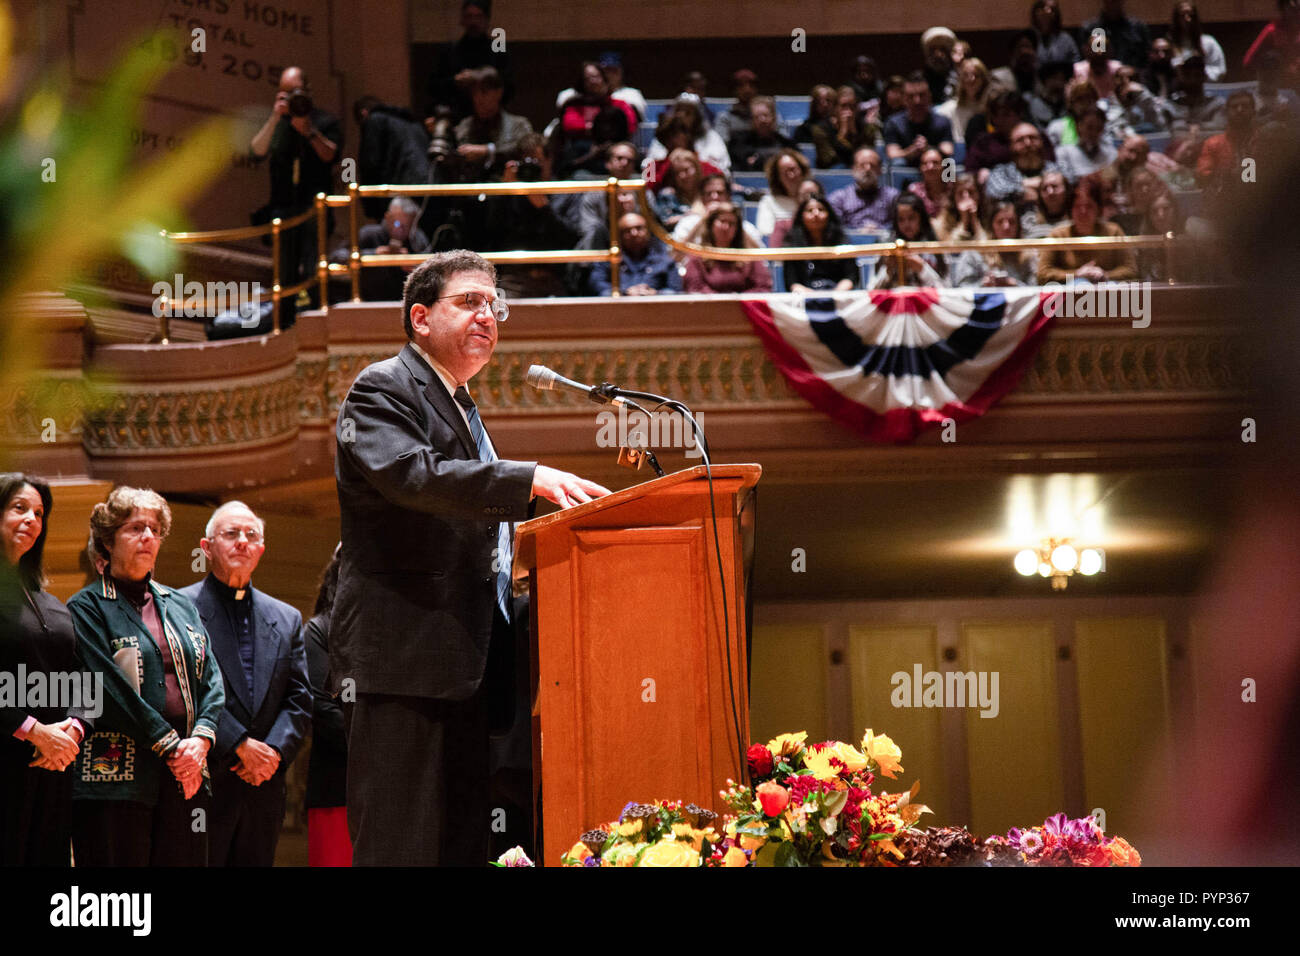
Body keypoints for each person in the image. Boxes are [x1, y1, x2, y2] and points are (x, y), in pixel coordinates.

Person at [334, 252, 611, 866]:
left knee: (459, 843)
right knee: (401, 846)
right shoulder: (382, 388)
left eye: (494, 304)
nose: (487, 314)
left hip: (462, 666)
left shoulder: (459, 402)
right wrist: (529, 477)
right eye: (469, 301)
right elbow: (414, 477)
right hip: (404, 658)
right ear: (420, 318)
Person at [68, 486, 225, 866]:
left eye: (155, 529)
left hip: (185, 776)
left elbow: (212, 680)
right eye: (135, 528)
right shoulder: (87, 607)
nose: (148, 537)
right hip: (115, 781)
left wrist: (201, 741)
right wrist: (172, 746)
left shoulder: (181, 604)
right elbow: (108, 689)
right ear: (108, 539)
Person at [177, 502, 310, 867]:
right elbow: (186, 687)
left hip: (263, 785)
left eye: (251, 536)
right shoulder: (177, 608)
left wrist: (273, 754)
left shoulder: (287, 617)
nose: (242, 542)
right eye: (231, 534)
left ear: (261, 551)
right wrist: (238, 744)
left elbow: (299, 700)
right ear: (206, 548)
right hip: (207, 780)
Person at [0, 474, 91, 866]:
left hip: (53, 768)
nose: (32, 519)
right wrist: (33, 730)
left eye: (39, 513)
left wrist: (73, 728)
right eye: (19, 508)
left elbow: (84, 678)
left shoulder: (52, 603)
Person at [248, 66, 342, 313]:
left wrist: (309, 131)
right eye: (284, 92)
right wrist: (274, 117)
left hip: (315, 210)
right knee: (284, 273)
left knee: (315, 270)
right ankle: (284, 324)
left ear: (307, 90)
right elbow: (256, 152)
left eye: (294, 92)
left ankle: (316, 318)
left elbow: (331, 155)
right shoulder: (277, 122)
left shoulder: (324, 121)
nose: (290, 97)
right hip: (283, 207)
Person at [481, 135, 579, 298]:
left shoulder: (565, 192)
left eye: (538, 161)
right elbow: (490, 233)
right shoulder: (509, 195)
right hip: (513, 279)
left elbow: (571, 239)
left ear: (549, 161)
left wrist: (544, 208)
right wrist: (503, 193)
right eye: (527, 162)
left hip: (554, 279)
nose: (532, 168)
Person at [303, 548, 348, 866]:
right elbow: (321, 707)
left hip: (390, 789)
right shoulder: (320, 630)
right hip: (337, 786)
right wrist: (379, 749)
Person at [1038, 173, 1138, 281]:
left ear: (1098, 209)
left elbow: (1130, 269)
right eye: (1077, 206)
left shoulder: (1113, 231)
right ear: (1070, 210)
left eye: (1089, 206)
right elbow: (1043, 274)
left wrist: (1106, 275)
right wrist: (1076, 275)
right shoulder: (1057, 235)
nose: (1083, 212)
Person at [427, 0, 514, 120]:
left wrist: (485, 80)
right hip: (457, 116)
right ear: (462, 20)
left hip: (492, 118)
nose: (473, 22)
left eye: (478, 16)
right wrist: (455, 81)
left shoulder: (498, 50)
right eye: (469, 16)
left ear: (487, 20)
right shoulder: (449, 51)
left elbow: (509, 87)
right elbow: (433, 87)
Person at [555, 61, 638, 177]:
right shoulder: (573, 103)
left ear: (605, 79)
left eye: (596, 77)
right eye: (588, 78)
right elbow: (569, 125)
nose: (593, 81)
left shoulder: (618, 104)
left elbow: (631, 125)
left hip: (616, 146)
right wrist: (594, 137)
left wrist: (610, 145)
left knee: (632, 158)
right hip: (585, 153)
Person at [354, 96, 430, 221]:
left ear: (363, 113)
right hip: (431, 188)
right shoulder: (412, 122)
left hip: (402, 190)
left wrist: (371, 206)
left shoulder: (374, 120)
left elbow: (371, 164)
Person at [453, 66, 535, 180]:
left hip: (507, 192)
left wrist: (488, 151)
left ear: (499, 92)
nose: (478, 99)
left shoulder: (519, 125)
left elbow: (526, 150)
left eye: (484, 92)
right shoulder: (464, 126)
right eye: (474, 93)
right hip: (470, 192)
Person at [682, 204, 772, 294]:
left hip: (744, 306)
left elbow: (763, 287)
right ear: (711, 225)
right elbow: (694, 288)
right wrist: (722, 302)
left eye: (731, 223)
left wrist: (738, 300)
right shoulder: (697, 257)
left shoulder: (750, 257)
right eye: (722, 221)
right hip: (708, 306)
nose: (726, 227)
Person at [949, 200, 1039, 286]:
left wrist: (1014, 284)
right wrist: (983, 284)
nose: (1006, 227)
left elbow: (1035, 289)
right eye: (1000, 222)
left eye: (1011, 222)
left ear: (1019, 227)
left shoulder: (1028, 256)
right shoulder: (976, 253)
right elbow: (962, 288)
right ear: (991, 226)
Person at [357, 198, 432, 301]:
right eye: (397, 224)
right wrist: (374, 254)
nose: (400, 230)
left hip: (406, 303)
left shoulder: (417, 240)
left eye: (406, 226)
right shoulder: (369, 234)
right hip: (368, 301)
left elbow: (432, 272)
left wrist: (414, 267)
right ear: (387, 217)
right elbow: (337, 256)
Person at [590, 213, 682, 296]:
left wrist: (656, 293)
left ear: (648, 231)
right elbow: (598, 286)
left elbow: (676, 290)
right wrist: (624, 292)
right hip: (619, 308)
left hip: (657, 309)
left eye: (639, 228)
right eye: (627, 230)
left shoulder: (664, 259)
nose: (634, 233)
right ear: (619, 235)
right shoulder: (609, 258)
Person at [781, 194, 858, 293]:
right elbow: (792, 283)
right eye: (809, 210)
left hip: (839, 297)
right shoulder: (792, 245)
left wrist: (833, 296)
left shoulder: (842, 242)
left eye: (821, 209)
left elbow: (850, 277)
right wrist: (814, 298)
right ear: (801, 216)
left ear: (829, 214)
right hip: (804, 298)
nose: (816, 214)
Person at [873, 193, 947, 288]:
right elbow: (872, 290)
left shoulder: (934, 248)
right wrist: (888, 271)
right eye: (901, 219)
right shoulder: (888, 248)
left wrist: (922, 268)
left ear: (921, 219)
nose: (906, 224)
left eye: (911, 218)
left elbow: (946, 291)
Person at [986, 123, 1065, 206]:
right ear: (1011, 146)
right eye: (1020, 140)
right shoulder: (1001, 172)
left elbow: (1069, 185)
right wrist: (1042, 187)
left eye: (1032, 138)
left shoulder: (1057, 168)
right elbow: (995, 192)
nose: (1028, 143)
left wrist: (1024, 185)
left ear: (1041, 142)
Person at [884, 72, 955, 163]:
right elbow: (892, 154)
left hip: (936, 169)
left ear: (929, 97)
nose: (917, 101)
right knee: (898, 162)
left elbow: (948, 151)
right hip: (906, 169)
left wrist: (928, 149)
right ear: (904, 99)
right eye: (911, 96)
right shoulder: (893, 123)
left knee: (949, 163)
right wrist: (911, 152)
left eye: (922, 95)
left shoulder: (943, 122)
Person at [645, 98, 730, 173]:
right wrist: (669, 164)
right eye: (671, 134)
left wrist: (693, 161)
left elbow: (720, 174)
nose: (673, 140)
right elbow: (648, 184)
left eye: (688, 113)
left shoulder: (701, 164)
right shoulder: (654, 166)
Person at [828, 147, 899, 232]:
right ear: (853, 169)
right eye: (862, 165)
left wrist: (881, 230)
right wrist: (857, 232)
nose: (868, 169)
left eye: (872, 165)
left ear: (880, 170)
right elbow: (836, 228)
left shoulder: (892, 196)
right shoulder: (838, 198)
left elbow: (899, 224)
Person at [812, 85, 880, 169]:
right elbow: (829, 160)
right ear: (835, 108)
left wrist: (853, 133)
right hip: (833, 172)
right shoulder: (820, 129)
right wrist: (842, 134)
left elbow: (866, 155)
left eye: (852, 106)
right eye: (844, 106)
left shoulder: (867, 128)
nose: (849, 112)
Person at [1243, 0, 1300, 92]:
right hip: (1280, 88)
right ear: (1283, 9)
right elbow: (1249, 62)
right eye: (1293, 9)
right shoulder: (1272, 31)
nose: (1297, 12)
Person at [730, 96, 795, 172]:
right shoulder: (738, 144)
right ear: (751, 119)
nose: (762, 120)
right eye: (757, 116)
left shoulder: (787, 145)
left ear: (774, 117)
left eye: (766, 115)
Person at [1080, 0, 1151, 68]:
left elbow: (1146, 60)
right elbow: (1085, 62)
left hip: (1133, 77)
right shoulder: (1091, 29)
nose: (1112, 2)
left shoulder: (1138, 28)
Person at [757, 148, 812, 237]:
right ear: (778, 177)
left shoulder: (813, 198)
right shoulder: (768, 202)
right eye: (785, 172)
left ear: (802, 170)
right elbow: (766, 232)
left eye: (793, 169)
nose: (791, 175)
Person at [936, 57, 991, 145]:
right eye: (966, 75)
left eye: (976, 75)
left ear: (983, 79)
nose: (971, 79)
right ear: (961, 79)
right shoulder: (950, 108)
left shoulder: (990, 107)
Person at [1056, 106, 1119, 179]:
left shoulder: (1110, 153)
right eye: (1089, 127)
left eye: (1098, 128)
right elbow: (1067, 181)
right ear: (1079, 126)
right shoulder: (1064, 152)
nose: (1093, 133)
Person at [1169, 1, 1227, 80]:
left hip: (1205, 89)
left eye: (1191, 15)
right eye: (1182, 15)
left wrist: (1198, 70)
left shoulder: (1208, 42)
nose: (1187, 19)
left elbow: (1220, 70)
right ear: (1176, 19)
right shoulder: (1169, 45)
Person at [652, 148, 706, 229]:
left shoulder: (709, 192)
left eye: (686, 170)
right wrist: (694, 216)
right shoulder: (667, 195)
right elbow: (666, 222)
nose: (683, 176)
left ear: (697, 169)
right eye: (677, 173)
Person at [933, 173, 988, 241]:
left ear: (979, 195)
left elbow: (987, 246)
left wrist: (974, 220)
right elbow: (950, 247)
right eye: (960, 193)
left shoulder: (988, 214)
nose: (966, 196)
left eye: (971, 192)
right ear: (954, 197)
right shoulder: (944, 218)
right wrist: (964, 220)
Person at [1021, 168, 1074, 237]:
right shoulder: (1029, 220)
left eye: (1055, 186)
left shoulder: (1075, 220)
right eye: (1045, 188)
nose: (1050, 192)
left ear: (1066, 190)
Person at [715, 69, 760, 147]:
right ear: (734, 90)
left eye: (751, 85)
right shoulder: (725, 118)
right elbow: (721, 146)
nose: (747, 90)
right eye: (741, 85)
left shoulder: (766, 116)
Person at [993, 29, 1043, 98]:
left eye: (1028, 46)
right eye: (1020, 46)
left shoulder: (1041, 81)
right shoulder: (998, 78)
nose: (1024, 51)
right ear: (1011, 53)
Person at [1033, 0, 1081, 68]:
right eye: (1042, 8)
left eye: (1052, 10)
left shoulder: (1066, 39)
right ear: (1035, 12)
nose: (1046, 12)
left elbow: (1076, 63)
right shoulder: (1030, 38)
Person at [907, 147, 954, 217]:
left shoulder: (953, 189)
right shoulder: (914, 191)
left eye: (935, 163)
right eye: (925, 163)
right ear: (920, 168)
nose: (930, 167)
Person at [920, 26, 960, 104]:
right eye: (933, 50)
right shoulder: (919, 79)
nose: (938, 55)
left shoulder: (959, 79)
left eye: (943, 49)